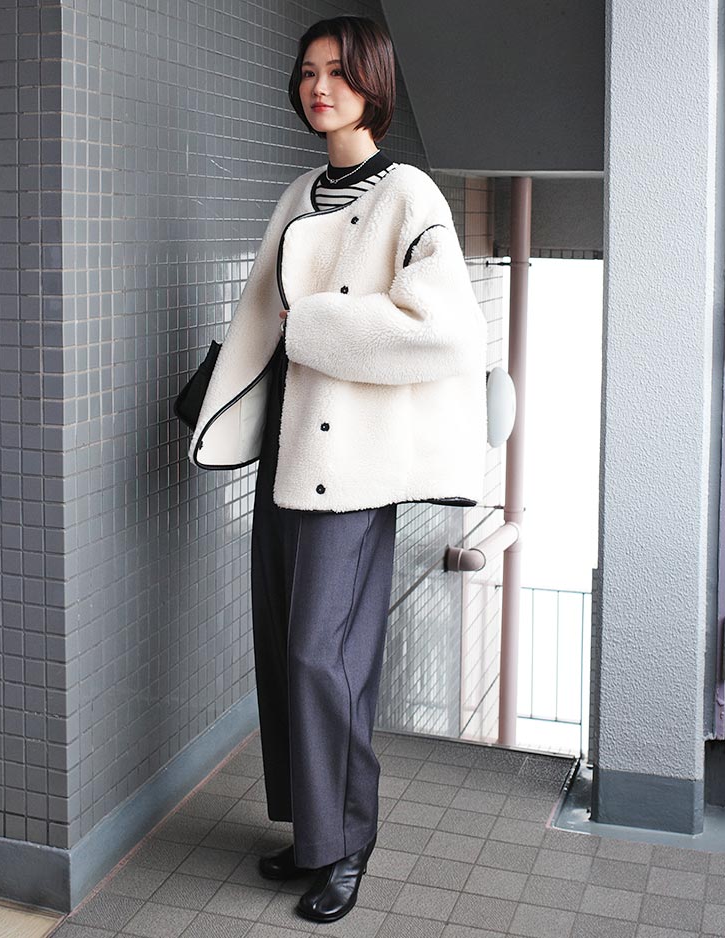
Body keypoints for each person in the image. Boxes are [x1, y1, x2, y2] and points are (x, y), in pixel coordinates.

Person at [187, 13, 488, 924]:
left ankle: (349, 844)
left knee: (327, 659)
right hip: (287, 457)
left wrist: (315, 323)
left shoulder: (409, 195)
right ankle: (313, 835)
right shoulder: (299, 191)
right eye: (309, 71)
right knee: (286, 651)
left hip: (350, 471)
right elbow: (258, 320)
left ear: (373, 84)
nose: (320, 87)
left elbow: (448, 332)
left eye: (340, 72)